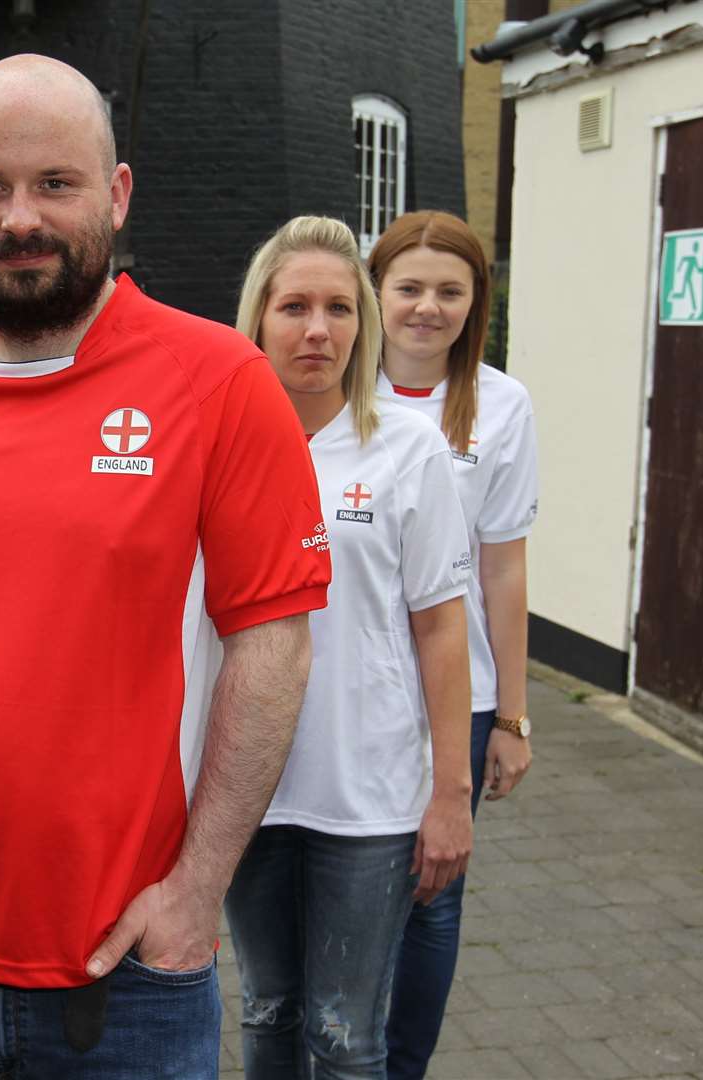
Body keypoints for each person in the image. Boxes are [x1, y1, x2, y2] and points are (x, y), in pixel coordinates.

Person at [0, 54, 332, 1078]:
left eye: (56, 183)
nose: (20, 219)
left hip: (128, 970)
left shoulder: (218, 382)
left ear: (118, 193)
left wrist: (197, 887)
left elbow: (273, 647)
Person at [222, 216, 474, 1079]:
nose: (317, 329)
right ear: (258, 318)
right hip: (243, 790)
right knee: (266, 1012)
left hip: (367, 801)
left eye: (338, 307)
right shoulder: (215, 450)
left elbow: (442, 626)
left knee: (344, 1036)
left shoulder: (407, 451)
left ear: (363, 324)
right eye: (294, 306)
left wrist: (451, 793)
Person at [370, 210, 539, 1080]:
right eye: (409, 287)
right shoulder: (330, 391)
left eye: (450, 291)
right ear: (378, 292)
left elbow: (503, 572)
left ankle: (399, 1069)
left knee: (431, 901)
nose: (427, 308)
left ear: (476, 304)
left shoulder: (502, 406)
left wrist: (511, 714)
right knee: (340, 886)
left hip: (456, 698)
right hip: (350, 689)